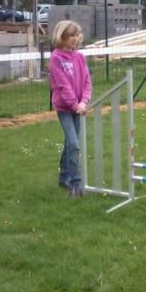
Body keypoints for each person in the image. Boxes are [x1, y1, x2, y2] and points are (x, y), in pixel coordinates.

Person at [49, 20, 92, 197]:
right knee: (74, 144)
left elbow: (87, 82)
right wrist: (75, 105)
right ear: (62, 37)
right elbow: (63, 86)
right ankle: (75, 183)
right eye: (71, 35)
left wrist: (84, 102)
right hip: (65, 109)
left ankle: (64, 175)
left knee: (70, 143)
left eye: (77, 35)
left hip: (79, 107)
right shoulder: (56, 58)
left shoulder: (80, 57)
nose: (75, 39)